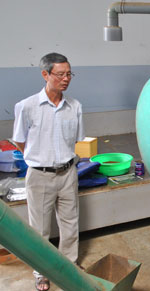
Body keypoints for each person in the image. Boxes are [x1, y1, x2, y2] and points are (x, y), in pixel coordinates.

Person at [12, 53, 84, 291]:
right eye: (60, 74)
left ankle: (69, 266)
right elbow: (20, 142)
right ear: (45, 74)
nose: (66, 79)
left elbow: (77, 141)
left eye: (69, 74)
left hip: (67, 173)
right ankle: (41, 272)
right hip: (39, 175)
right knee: (40, 229)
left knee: (70, 224)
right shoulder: (27, 106)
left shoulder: (75, 107)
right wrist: (38, 159)